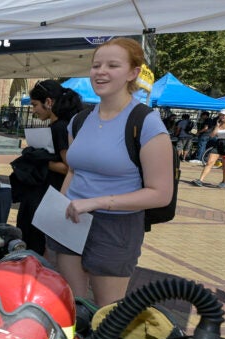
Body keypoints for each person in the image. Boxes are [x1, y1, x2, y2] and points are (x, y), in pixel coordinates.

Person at [47, 38, 172, 307]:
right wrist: (60, 205)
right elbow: (73, 171)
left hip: (116, 227)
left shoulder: (145, 122)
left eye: (112, 65)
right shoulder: (79, 120)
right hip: (72, 218)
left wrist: (97, 202)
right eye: (96, 65)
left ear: (133, 73)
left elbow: (161, 194)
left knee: (108, 313)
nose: (100, 72)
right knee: (73, 306)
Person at [11, 80, 83, 255]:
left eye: (35, 104)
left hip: (48, 195)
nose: (33, 110)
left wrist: (39, 160)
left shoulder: (60, 127)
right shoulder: (62, 125)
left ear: (49, 102)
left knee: (35, 242)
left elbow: (69, 168)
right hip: (45, 192)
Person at [191, 108, 225, 189]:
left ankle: (224, 181)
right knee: (209, 162)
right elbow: (212, 135)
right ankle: (200, 180)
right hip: (218, 143)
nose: (221, 116)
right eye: (220, 115)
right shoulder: (219, 124)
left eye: (223, 115)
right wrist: (217, 126)